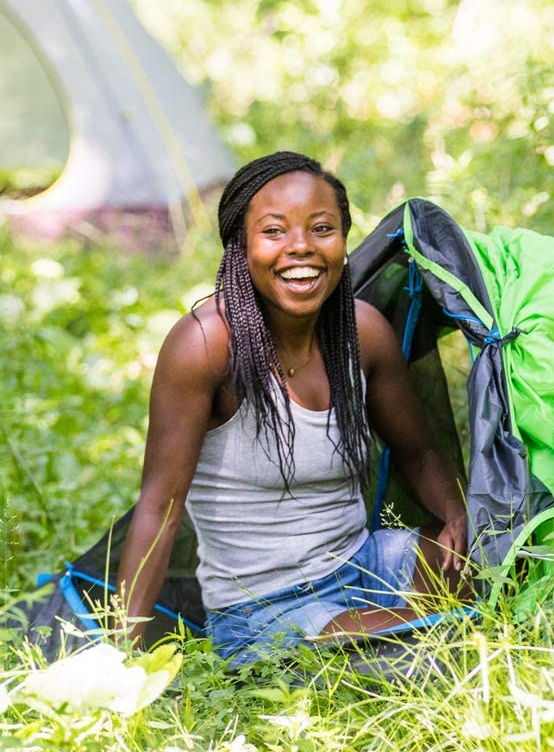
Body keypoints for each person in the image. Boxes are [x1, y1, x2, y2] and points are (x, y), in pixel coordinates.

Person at [116, 151, 469, 665]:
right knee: (424, 635)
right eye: (275, 231)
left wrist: (457, 514)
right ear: (241, 247)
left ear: (344, 241)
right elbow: (158, 509)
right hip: (264, 611)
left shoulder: (363, 332)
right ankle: (418, 631)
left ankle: (423, 625)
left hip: (365, 565)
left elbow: (418, 453)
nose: (300, 247)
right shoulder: (205, 348)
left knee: (499, 564)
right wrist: (120, 662)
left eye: (321, 228)